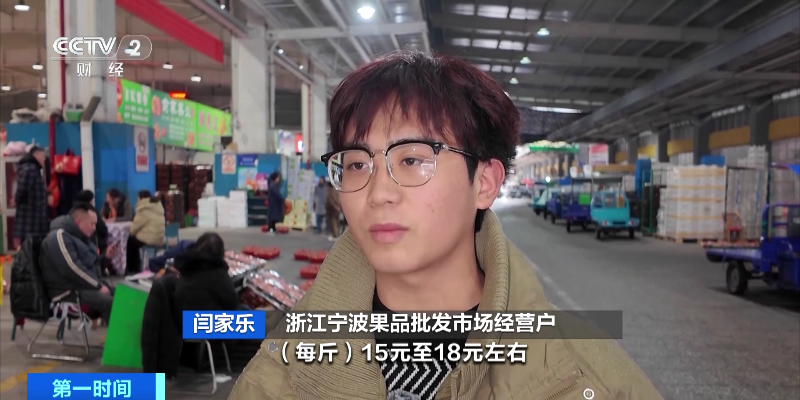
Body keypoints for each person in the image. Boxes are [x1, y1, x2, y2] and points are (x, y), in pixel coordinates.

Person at [230, 51, 663, 399]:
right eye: (358, 163)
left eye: (412, 159)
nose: (378, 193)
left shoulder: (582, 377)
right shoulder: (283, 366)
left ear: (485, 182)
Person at [39, 203, 116, 325]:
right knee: (109, 302)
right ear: (79, 222)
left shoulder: (80, 237)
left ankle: (130, 335)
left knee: (123, 295)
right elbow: (72, 269)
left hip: (80, 287)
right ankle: (118, 337)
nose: (94, 228)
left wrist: (105, 258)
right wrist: (97, 286)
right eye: (92, 224)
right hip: (66, 293)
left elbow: (91, 266)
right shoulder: (58, 237)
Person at [12, 146, 49, 250]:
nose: (44, 159)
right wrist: (16, 200)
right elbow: (22, 189)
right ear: (35, 155)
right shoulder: (30, 169)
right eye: (42, 156)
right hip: (30, 219)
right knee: (29, 250)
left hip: (33, 219)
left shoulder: (34, 169)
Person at [127, 190, 166, 274]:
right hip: (160, 238)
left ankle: (133, 269)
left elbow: (133, 229)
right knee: (134, 241)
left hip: (149, 239)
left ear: (141, 198)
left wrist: (131, 231)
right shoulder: (158, 207)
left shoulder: (143, 209)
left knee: (131, 241)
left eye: (138, 198)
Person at [74, 190, 111, 275]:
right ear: (91, 200)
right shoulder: (91, 211)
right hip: (92, 241)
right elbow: (102, 228)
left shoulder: (72, 210)